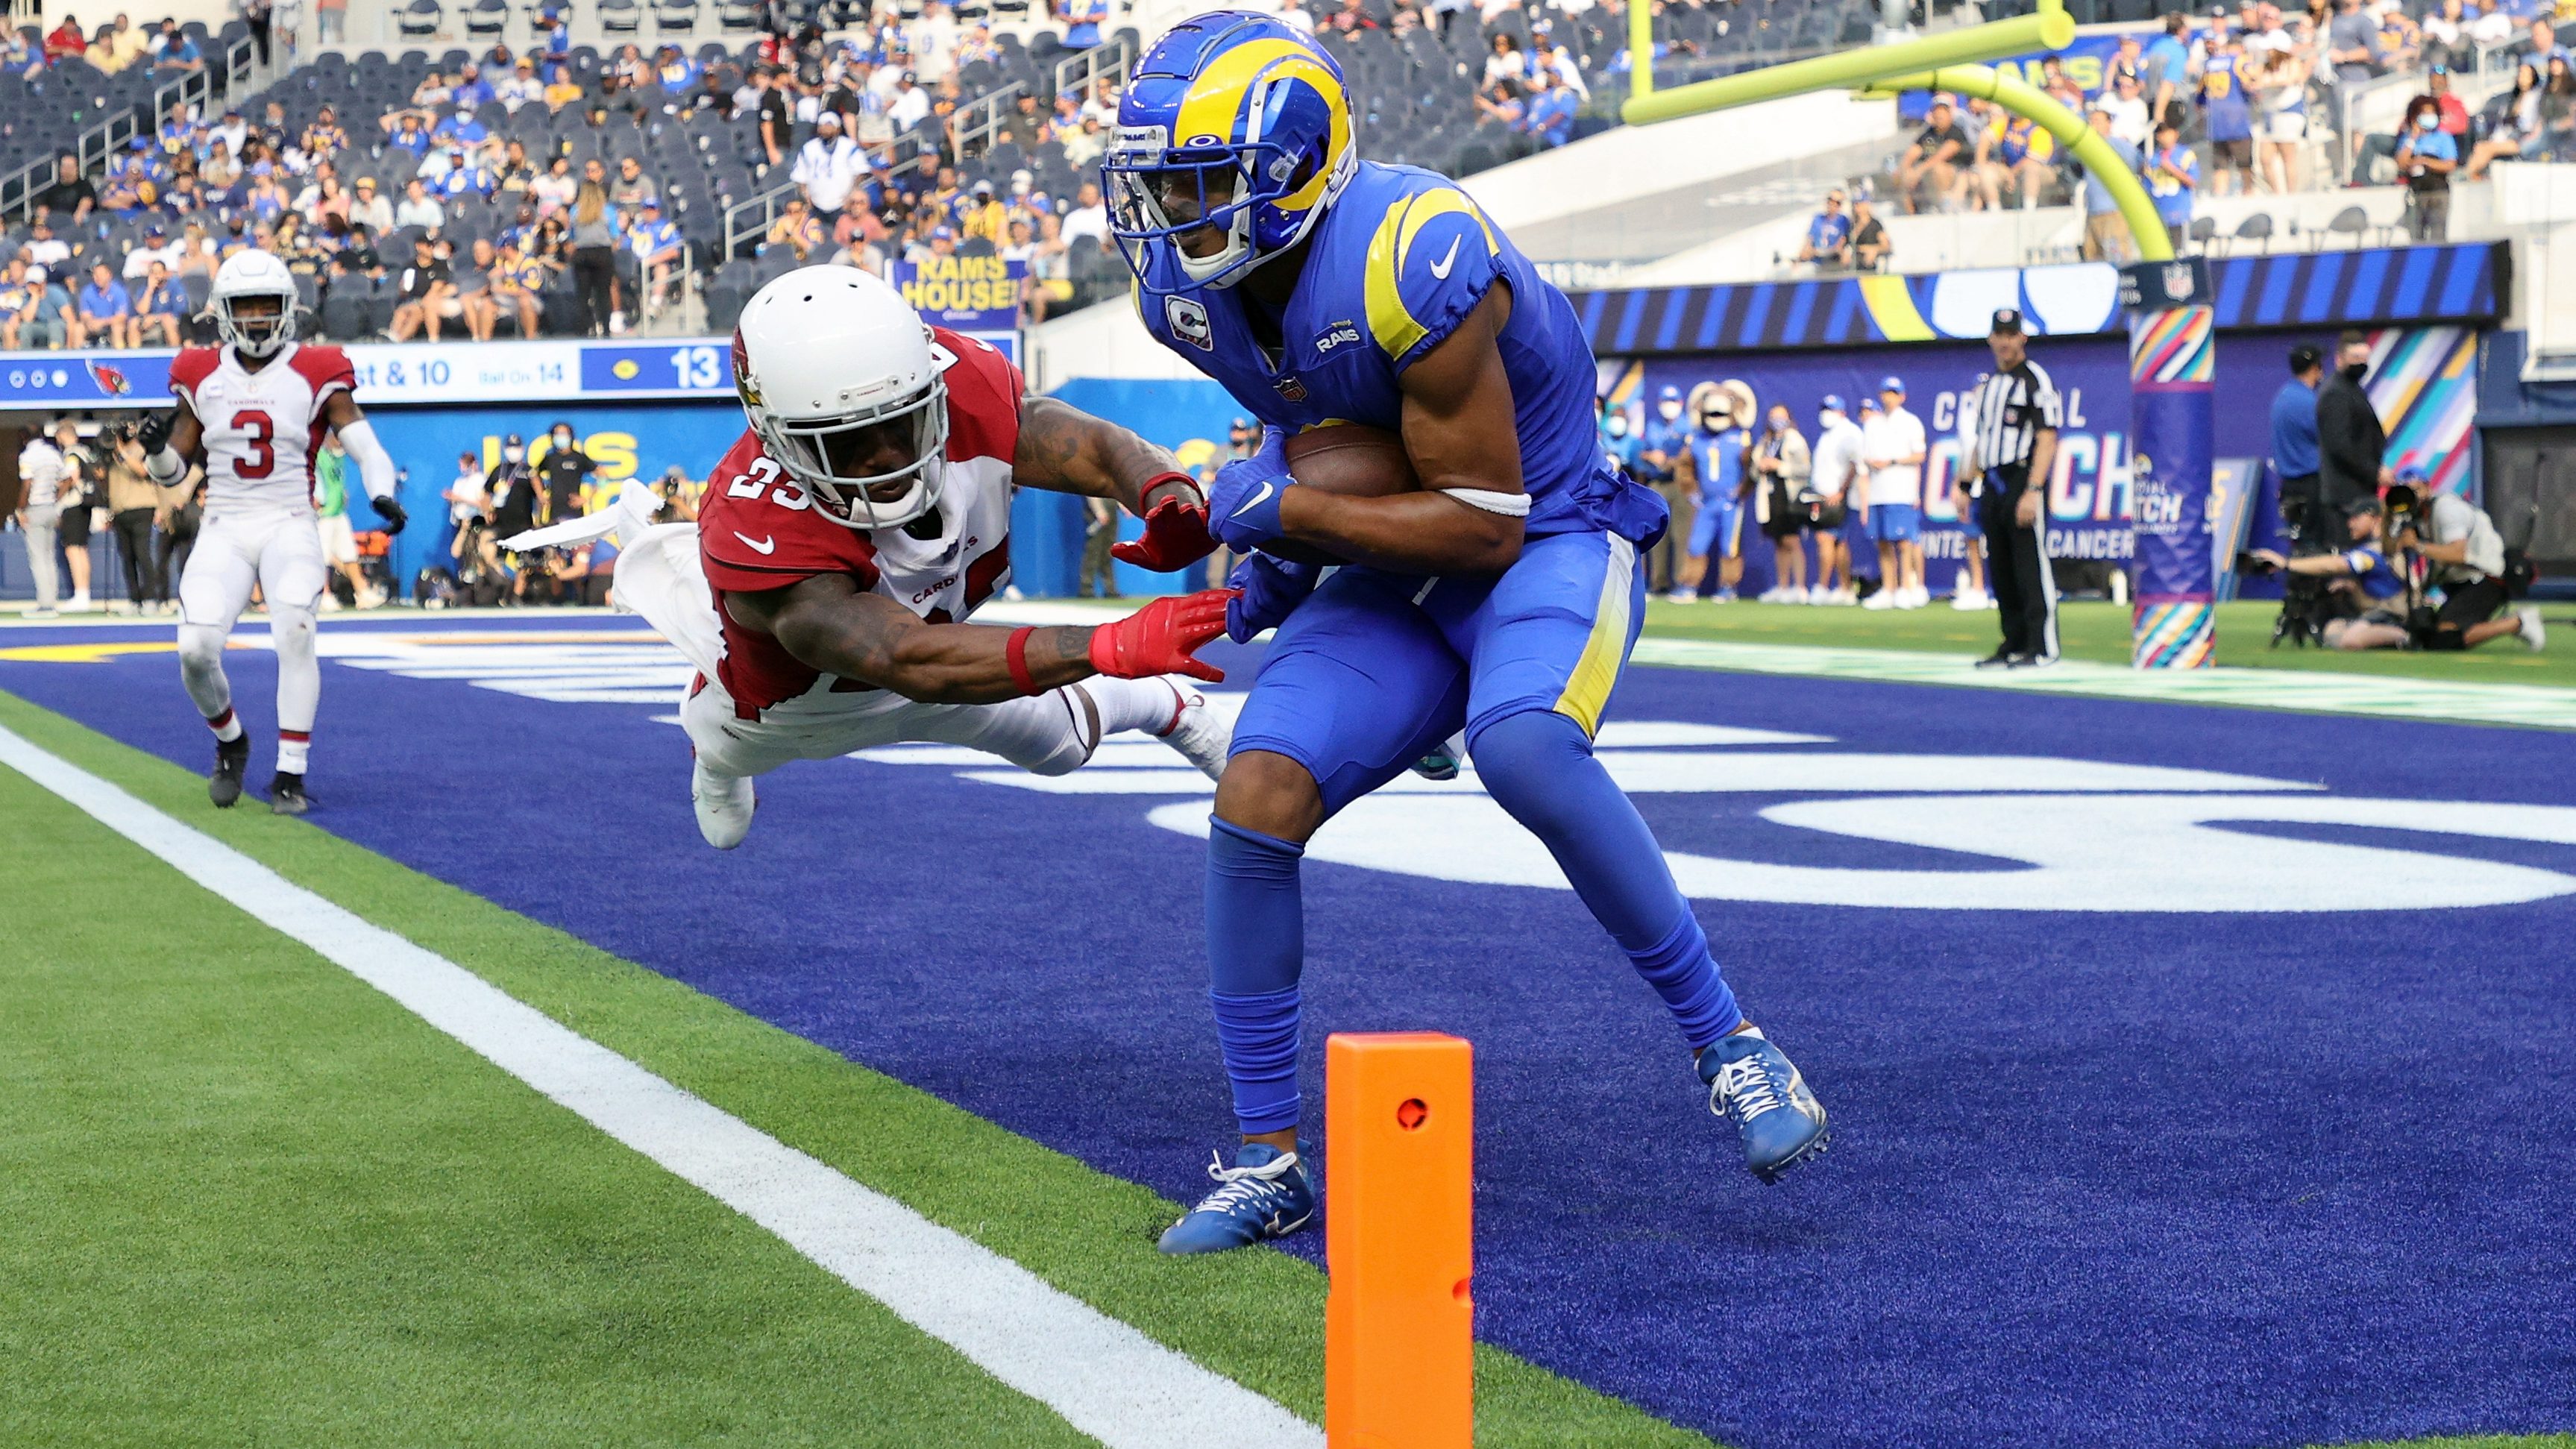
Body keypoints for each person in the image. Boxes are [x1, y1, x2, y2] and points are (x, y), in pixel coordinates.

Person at [1109, 14, 1830, 1255]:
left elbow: (1481, 525)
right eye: (1159, 183)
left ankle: (1733, 1042)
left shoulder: (1410, 248)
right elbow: (1331, 425)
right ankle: (1269, 1156)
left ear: (1291, 167)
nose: (1172, 212)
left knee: (1526, 747)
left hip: (1538, 529)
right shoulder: (1185, 297)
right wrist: (1269, 559)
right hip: (1400, 548)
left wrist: (1282, 505)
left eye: (1200, 181)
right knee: (1256, 789)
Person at [506, 265, 1234, 847]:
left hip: (941, 653)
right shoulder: (758, 521)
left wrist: (1157, 482)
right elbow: (906, 659)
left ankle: (1170, 708)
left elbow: (1081, 439)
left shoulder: (962, 383)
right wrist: (1107, 644)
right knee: (725, 754)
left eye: (904, 421)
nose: (888, 455)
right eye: (849, 440)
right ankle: (712, 756)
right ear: (777, 435)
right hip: (804, 702)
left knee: (1061, 747)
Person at [136, 248, 410, 814]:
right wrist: (155, 447)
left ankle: (291, 772)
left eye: (268, 304)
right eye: (246, 305)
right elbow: (173, 471)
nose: (258, 316)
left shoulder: (317, 368)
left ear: (288, 309)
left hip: (289, 521)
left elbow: (366, 445)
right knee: (194, 649)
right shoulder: (199, 370)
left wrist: (382, 490)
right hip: (225, 524)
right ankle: (232, 741)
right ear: (224, 312)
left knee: (296, 630)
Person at [1961, 308, 2063, 667]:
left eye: (2011, 334)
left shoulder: (2035, 379)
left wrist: (2033, 489)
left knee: (2030, 565)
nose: (2005, 342)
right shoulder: (1989, 386)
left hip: (2021, 476)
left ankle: (2042, 646)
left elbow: (2048, 438)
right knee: (2001, 568)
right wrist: (1965, 483)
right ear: (1991, 338)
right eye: (1999, 335)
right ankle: (2013, 642)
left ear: (2023, 338)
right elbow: (1981, 438)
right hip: (1991, 480)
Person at [1861, 375, 1929, 609]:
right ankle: (1888, 589)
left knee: (1904, 542)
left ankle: (1905, 588)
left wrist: (1891, 461)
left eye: (1893, 393)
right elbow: (1865, 457)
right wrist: (1872, 463)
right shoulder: (1872, 424)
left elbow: (1919, 455)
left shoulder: (1911, 422)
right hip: (1878, 492)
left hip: (1901, 491)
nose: (1889, 397)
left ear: (1902, 397)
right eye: (1886, 393)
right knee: (1882, 542)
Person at [1679, 389, 1753, 603]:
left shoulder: (1741, 438)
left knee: (1730, 547)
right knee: (1696, 544)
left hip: (1731, 503)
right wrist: (1692, 492)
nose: (1716, 419)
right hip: (1706, 503)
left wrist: (1742, 489)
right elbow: (1684, 469)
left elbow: (1751, 469)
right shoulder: (1695, 439)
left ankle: (1728, 586)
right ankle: (1689, 585)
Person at [2317, 329, 2388, 519]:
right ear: (2339, 359)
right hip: (2346, 498)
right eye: (2355, 357)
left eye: (2365, 357)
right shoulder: (2335, 393)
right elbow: (2340, 446)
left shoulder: (2353, 389)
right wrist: (2374, 472)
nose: (2361, 363)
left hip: (2359, 492)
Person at [312, 431, 381, 609]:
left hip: (339, 512)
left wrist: (342, 494)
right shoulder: (317, 455)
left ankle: (362, 592)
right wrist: (315, 497)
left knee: (350, 554)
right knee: (323, 558)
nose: (342, 444)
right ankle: (323, 595)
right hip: (323, 514)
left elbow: (337, 480)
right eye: (339, 440)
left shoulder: (340, 456)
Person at [1809, 395, 1866, 606]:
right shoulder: (1827, 435)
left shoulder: (1849, 433)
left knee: (1825, 539)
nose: (1826, 413)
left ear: (1842, 412)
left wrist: (1841, 491)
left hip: (1838, 497)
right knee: (1839, 544)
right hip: (1823, 495)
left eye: (1831, 409)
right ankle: (1845, 588)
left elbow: (1855, 465)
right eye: (1824, 409)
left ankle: (1823, 587)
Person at [104, 423, 166, 615]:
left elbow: (142, 471)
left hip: (141, 507)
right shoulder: (113, 454)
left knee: (142, 554)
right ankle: (135, 599)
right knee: (127, 557)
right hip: (120, 510)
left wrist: (123, 452)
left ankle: (150, 598)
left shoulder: (145, 450)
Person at [14, 421, 73, 618]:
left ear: (24, 438)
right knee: (49, 558)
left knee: (38, 558)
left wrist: (21, 510)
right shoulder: (53, 453)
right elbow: (68, 480)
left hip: (35, 509)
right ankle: (51, 602)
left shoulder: (27, 456)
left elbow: (27, 485)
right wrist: (55, 500)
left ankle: (45, 605)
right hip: (50, 507)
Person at [2271, 343, 2326, 550]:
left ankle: (2299, 581)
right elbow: (2331, 441)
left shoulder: (2282, 397)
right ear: (2315, 368)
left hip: (2289, 487)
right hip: (2312, 486)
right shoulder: (2310, 402)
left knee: (2299, 544)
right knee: (2315, 546)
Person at [1636, 385, 1690, 593]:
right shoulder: (1653, 426)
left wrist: (1669, 461)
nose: (1670, 406)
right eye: (1666, 402)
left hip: (1680, 484)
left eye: (1673, 401)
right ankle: (1659, 583)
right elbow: (1641, 453)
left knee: (1681, 534)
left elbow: (1690, 456)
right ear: (1659, 404)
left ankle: (1682, 583)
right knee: (1657, 536)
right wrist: (1652, 457)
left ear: (1681, 403)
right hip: (1657, 482)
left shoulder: (1687, 426)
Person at [1949, 374, 1991, 609]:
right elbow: (1965, 454)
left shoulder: (1998, 417)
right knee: (1972, 538)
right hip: (1971, 484)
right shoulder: (1967, 418)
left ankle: (2000, 590)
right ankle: (1978, 588)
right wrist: (1958, 484)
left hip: (1994, 484)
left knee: (1998, 540)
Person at [48, 419, 98, 611]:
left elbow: (72, 477)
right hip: (86, 504)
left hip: (74, 504)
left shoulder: (71, 453)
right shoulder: (87, 451)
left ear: (63, 435)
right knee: (82, 548)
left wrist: (57, 497)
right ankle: (84, 593)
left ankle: (81, 594)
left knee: (73, 549)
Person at [2394, 96, 2457, 242]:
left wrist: (2426, 162)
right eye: (2424, 113)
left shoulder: (2443, 137)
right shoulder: (2408, 138)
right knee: (2416, 237)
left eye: (2432, 113)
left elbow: (2450, 164)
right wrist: (2413, 137)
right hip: (2416, 193)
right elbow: (2402, 163)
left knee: (2437, 237)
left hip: (2438, 193)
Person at [1898, 99, 1971, 213]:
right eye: (1937, 112)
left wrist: (1919, 171)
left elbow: (1942, 155)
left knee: (1938, 169)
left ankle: (1945, 203)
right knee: (1903, 175)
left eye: (1943, 112)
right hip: (1927, 173)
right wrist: (1905, 171)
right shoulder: (1928, 134)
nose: (1939, 115)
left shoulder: (1956, 132)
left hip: (1958, 174)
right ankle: (1910, 212)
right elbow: (1913, 152)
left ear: (1949, 114)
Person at [2145, 119, 2199, 252]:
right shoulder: (2152, 160)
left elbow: (2192, 181)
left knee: (2180, 252)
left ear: (2176, 134)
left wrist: (2172, 169)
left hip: (2179, 215)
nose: (2165, 137)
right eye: (2161, 134)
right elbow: (2147, 187)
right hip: (2159, 216)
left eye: (2168, 133)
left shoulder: (2186, 155)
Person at [1796, 189, 1853, 269]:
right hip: (1817, 257)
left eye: (1837, 202)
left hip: (1835, 257)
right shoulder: (1818, 219)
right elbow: (1810, 239)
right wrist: (1803, 254)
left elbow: (1845, 242)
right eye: (1830, 201)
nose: (1833, 204)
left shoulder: (1843, 220)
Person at [1080, 493, 1123, 597]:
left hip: (1111, 508)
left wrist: (1121, 505)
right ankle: (1086, 589)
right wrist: (1099, 510)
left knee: (1109, 552)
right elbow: (1090, 491)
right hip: (1097, 513)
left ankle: (1110, 589)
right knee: (1093, 551)